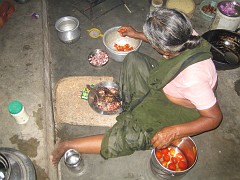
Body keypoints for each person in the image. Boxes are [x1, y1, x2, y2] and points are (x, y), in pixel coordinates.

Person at [50, 8, 222, 166]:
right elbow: (164, 40)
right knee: (134, 59)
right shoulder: (186, 35)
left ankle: (66, 145)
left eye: (154, 43)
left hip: (176, 109)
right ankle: (130, 109)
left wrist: (174, 131)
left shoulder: (194, 79)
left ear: (164, 50)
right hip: (167, 86)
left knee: (128, 138)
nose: (153, 45)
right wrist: (137, 34)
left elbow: (214, 118)